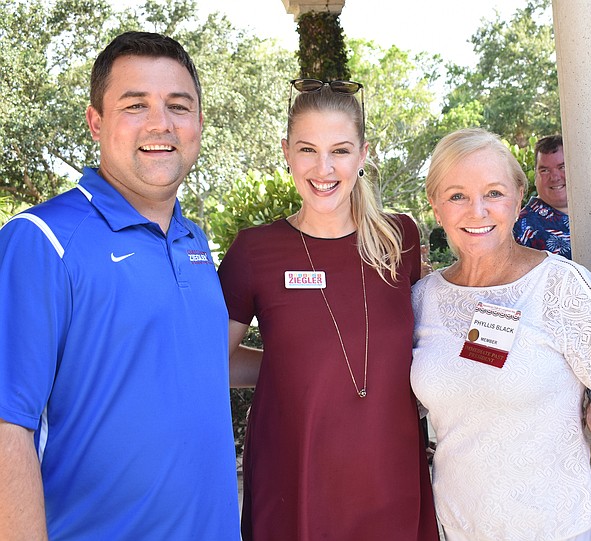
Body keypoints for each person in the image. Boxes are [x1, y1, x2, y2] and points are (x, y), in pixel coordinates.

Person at [0, 32, 240, 540]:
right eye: (136, 105)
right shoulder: (41, 240)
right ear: (96, 122)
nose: (161, 123)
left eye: (178, 105)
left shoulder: (192, 239)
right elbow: (7, 423)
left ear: (198, 123)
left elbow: (194, 361)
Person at [217, 79, 439, 540]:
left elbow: (426, 345)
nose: (324, 168)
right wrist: (293, 368)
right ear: (286, 152)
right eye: (307, 150)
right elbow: (215, 361)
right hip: (295, 470)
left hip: (388, 463)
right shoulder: (256, 250)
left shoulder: (400, 239)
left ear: (362, 153)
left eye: (340, 150)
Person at [412, 127, 591, 541]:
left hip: (556, 530)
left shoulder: (560, 286)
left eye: (493, 193)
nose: (477, 211)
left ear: (518, 198)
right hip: (455, 530)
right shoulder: (423, 299)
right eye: (457, 196)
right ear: (436, 208)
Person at [513, 134, 572, 258]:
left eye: (562, 167)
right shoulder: (520, 229)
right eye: (545, 170)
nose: (555, 177)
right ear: (535, 176)